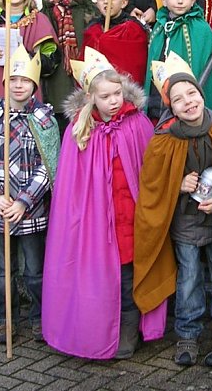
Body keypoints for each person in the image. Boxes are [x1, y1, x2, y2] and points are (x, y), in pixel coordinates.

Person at [42, 48, 167, 359]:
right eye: (105, 96)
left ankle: (129, 327)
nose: (113, 100)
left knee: (128, 277)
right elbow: (72, 186)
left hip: (131, 218)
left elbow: (150, 171)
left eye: (117, 93)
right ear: (90, 99)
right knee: (101, 278)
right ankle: (96, 327)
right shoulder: (79, 131)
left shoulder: (137, 124)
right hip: (98, 222)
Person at [134, 54, 212, 368]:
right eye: (178, 99)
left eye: (192, 94)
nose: (188, 102)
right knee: (189, 281)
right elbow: (154, 184)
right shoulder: (163, 141)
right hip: (185, 224)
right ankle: (188, 335)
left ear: (202, 94)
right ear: (170, 106)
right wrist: (178, 184)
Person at [0, 46, 61, 344]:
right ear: (5, 83)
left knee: (34, 272)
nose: (19, 85)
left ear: (34, 85)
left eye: (25, 81)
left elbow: (49, 167)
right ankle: (5, 319)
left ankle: (38, 318)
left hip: (30, 212)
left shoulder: (45, 121)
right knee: (4, 271)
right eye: (14, 80)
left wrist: (23, 201)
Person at [145, 0, 212, 121]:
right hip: (158, 101)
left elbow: (206, 68)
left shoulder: (201, 29)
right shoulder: (159, 26)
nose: (180, 1)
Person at [40, 0, 94, 135]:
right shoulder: (47, 9)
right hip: (57, 74)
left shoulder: (88, 8)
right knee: (60, 119)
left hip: (81, 67)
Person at [82, 0, 149, 86]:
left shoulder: (133, 29)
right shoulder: (93, 29)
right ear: (96, 3)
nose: (107, 2)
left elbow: (136, 66)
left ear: (124, 2)